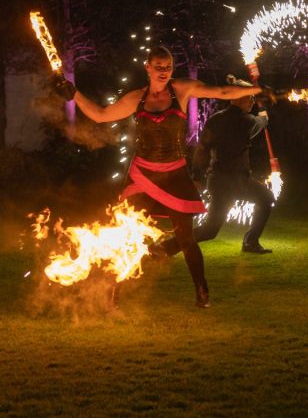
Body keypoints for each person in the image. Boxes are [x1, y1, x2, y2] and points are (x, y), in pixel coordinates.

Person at [51, 46, 263, 308]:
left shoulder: (181, 89)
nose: (164, 71)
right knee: (127, 235)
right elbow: (101, 115)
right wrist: (74, 94)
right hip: (142, 175)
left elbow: (221, 92)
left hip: (174, 174)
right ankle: (113, 294)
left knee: (186, 238)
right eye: (159, 67)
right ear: (148, 68)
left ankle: (202, 291)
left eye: (168, 67)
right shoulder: (137, 98)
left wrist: (256, 91)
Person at [187, 75, 275, 254]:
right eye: (249, 97)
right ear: (237, 97)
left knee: (265, 198)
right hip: (232, 183)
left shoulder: (215, 119)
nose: (251, 101)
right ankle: (165, 247)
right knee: (210, 230)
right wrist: (264, 108)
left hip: (220, 181)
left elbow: (202, 149)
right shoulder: (246, 121)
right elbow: (261, 122)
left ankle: (250, 242)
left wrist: (197, 176)